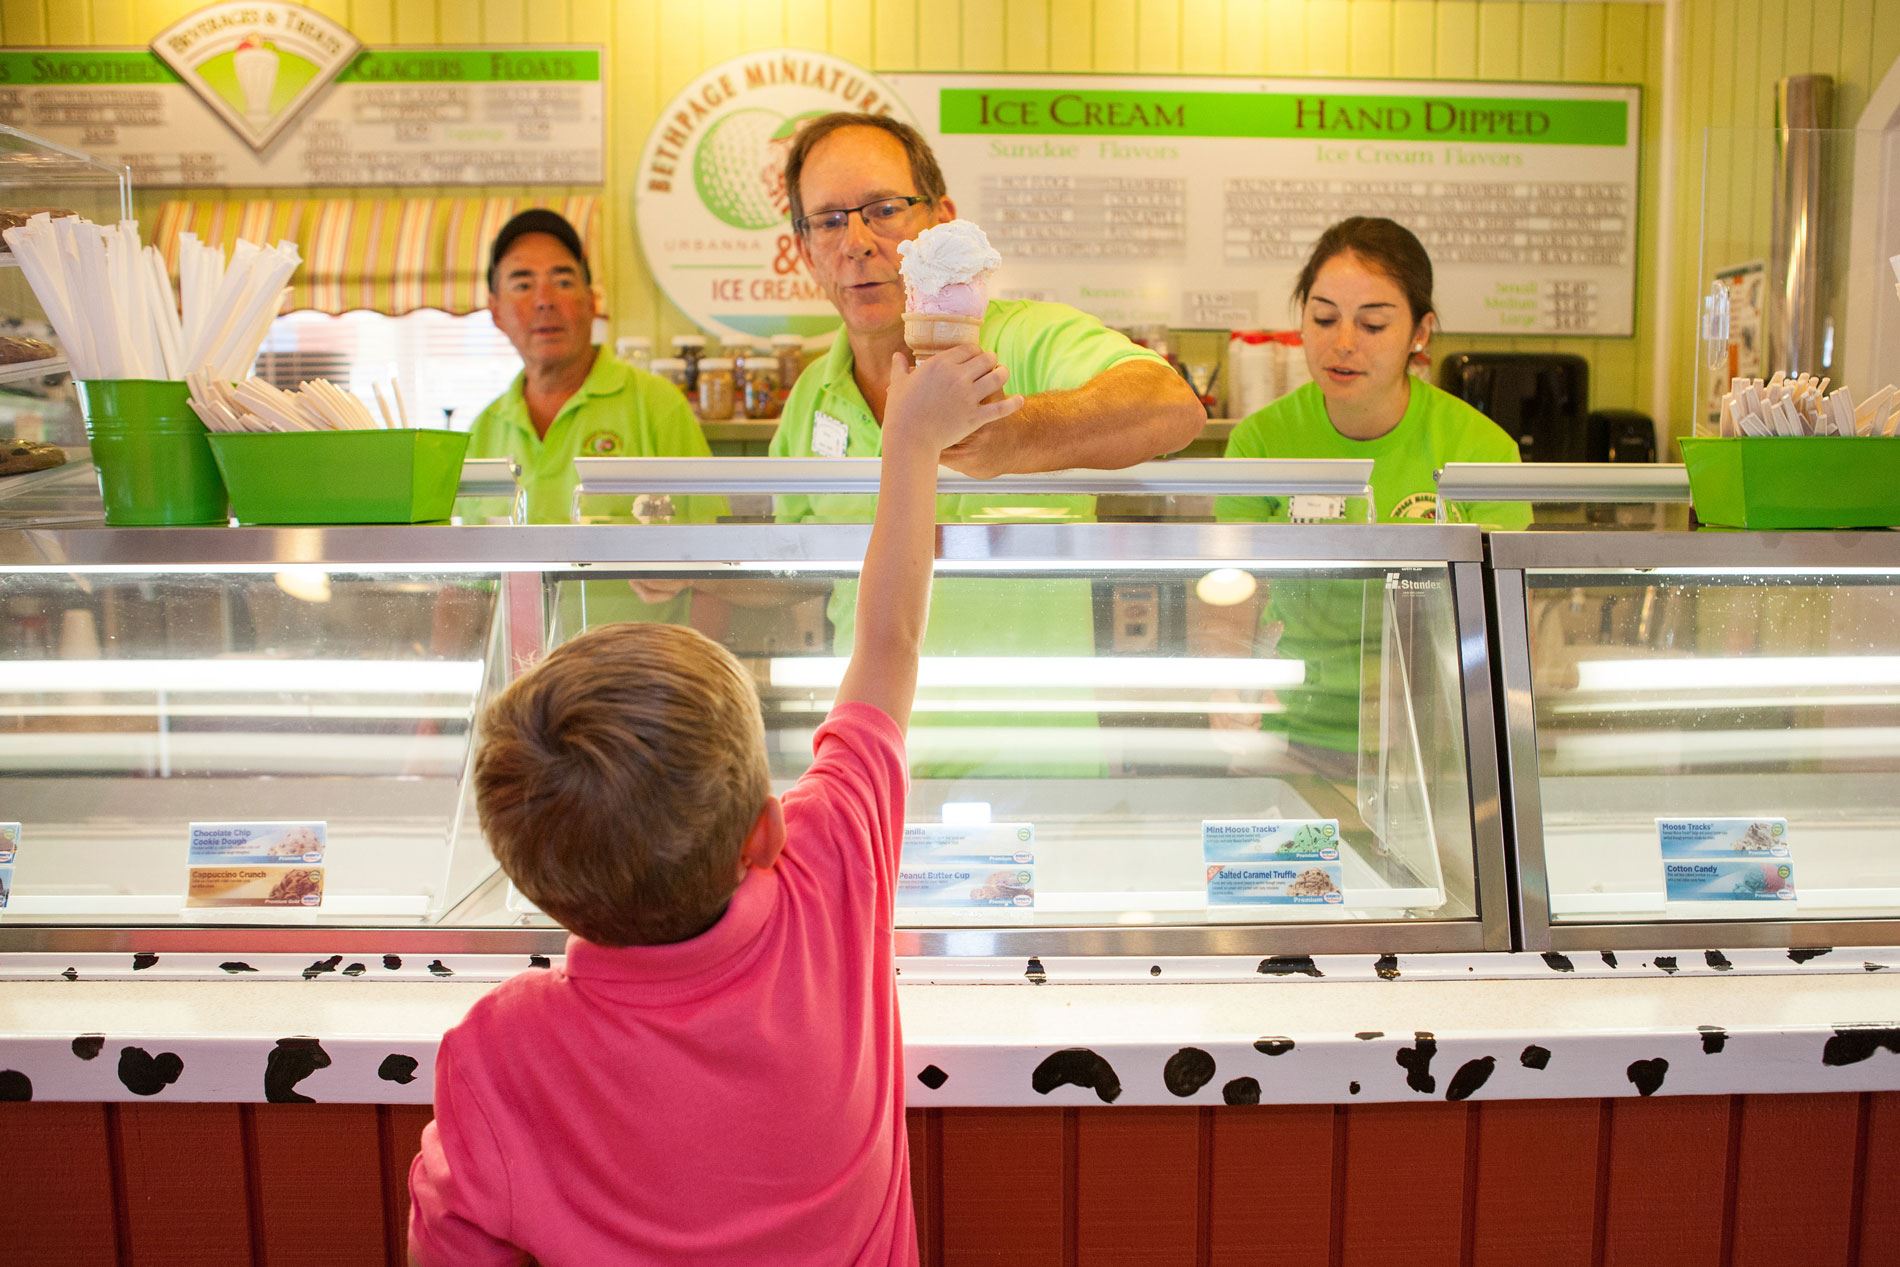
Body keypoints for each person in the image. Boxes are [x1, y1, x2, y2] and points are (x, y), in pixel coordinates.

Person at [408, 344, 1024, 1265]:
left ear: (538, 887)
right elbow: (889, 642)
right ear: (766, 831)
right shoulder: (825, 881)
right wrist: (912, 445)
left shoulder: (498, 1050)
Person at [769, 113, 1204, 775]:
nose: (855, 242)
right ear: (804, 249)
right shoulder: (810, 400)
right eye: (827, 220)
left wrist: (1024, 434)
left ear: (943, 223)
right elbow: (788, 568)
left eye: (883, 210)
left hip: (1038, 777)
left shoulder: (1028, 339)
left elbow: (1172, 406)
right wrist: (677, 566)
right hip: (875, 780)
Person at [1197, 216, 1528, 779]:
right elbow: (1228, 586)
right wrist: (1225, 682)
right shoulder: (1262, 440)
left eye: (1372, 324)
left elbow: (1504, 616)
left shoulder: (1478, 448)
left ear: (1420, 333)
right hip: (1285, 733)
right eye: (1323, 318)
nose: (1342, 343)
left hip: (1431, 742)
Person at [466, 208, 720, 628]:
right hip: (521, 681)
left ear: (591, 301)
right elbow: (465, 590)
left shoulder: (657, 405)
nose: (545, 299)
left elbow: (717, 565)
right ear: (495, 311)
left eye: (563, 280)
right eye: (523, 283)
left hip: (643, 682)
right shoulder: (483, 429)